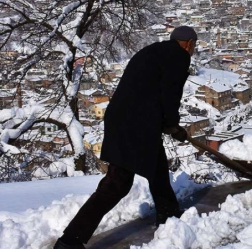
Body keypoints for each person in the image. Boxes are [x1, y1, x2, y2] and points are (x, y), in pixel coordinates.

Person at [54, 26, 198, 249]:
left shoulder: (154, 51)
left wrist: (167, 125)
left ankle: (169, 216)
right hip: (137, 125)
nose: (192, 51)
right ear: (189, 43)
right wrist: (172, 124)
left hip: (123, 119)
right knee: (117, 183)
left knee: (158, 169)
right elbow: (170, 94)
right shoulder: (179, 56)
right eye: (193, 47)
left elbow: (148, 90)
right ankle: (70, 239)